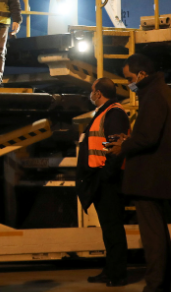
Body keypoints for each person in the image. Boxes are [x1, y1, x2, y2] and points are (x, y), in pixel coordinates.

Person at [109, 54, 171, 292]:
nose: (128, 83)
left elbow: (147, 137)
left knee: (153, 235)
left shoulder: (153, 96)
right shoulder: (159, 92)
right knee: (159, 233)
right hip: (156, 176)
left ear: (142, 75)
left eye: (130, 78)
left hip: (148, 177)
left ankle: (156, 284)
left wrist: (123, 146)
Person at [76, 78, 129, 286]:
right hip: (103, 178)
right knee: (109, 229)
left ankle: (117, 274)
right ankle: (111, 270)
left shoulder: (114, 113)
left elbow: (114, 146)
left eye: (92, 91)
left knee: (113, 229)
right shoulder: (105, 112)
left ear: (98, 93)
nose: (90, 94)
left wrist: (106, 174)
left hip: (109, 180)